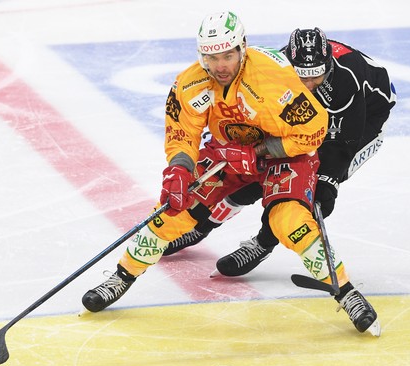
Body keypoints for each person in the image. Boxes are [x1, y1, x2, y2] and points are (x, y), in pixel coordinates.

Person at [82, 13, 380, 335]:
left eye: (228, 55)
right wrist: (180, 169)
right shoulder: (189, 83)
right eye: (211, 57)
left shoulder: (274, 78)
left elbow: (312, 131)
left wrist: (259, 152)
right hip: (228, 151)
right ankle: (122, 276)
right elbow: (182, 133)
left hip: (286, 155)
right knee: (172, 209)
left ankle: (346, 291)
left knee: (289, 220)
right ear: (201, 55)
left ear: (242, 48)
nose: (221, 65)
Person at [164, 27, 397, 282]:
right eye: (302, 78)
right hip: (310, 120)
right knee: (256, 172)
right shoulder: (277, 68)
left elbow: (343, 144)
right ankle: (205, 224)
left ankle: (263, 243)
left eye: (316, 77)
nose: (308, 85)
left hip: (362, 121)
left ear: (328, 68)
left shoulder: (345, 83)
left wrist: (327, 181)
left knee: (316, 191)